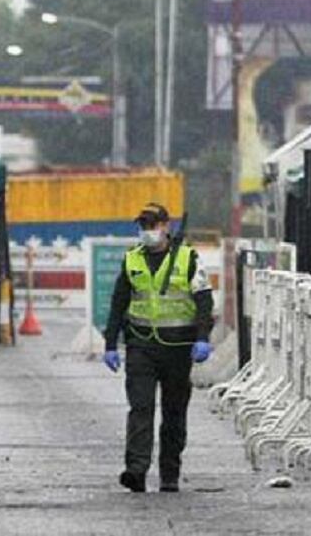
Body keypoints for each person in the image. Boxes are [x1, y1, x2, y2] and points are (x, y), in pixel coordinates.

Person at [102, 203, 215, 493]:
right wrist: (110, 343)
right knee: (140, 408)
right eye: (143, 226)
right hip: (141, 344)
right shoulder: (132, 259)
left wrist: (203, 337)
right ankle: (136, 470)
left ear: (166, 226)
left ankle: (169, 473)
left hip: (178, 347)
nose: (147, 231)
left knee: (174, 412)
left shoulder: (188, 258)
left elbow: (204, 301)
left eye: (152, 225)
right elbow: (119, 302)